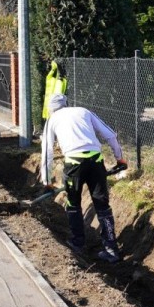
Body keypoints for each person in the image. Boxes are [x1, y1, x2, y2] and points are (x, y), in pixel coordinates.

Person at [40, 92, 127, 263]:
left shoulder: (52, 120)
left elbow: (47, 152)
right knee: (102, 205)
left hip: (74, 164)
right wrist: (119, 158)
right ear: (67, 103)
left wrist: (46, 181)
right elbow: (110, 135)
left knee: (73, 203)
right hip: (96, 161)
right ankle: (111, 249)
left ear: (51, 110)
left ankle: (77, 243)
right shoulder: (83, 111)